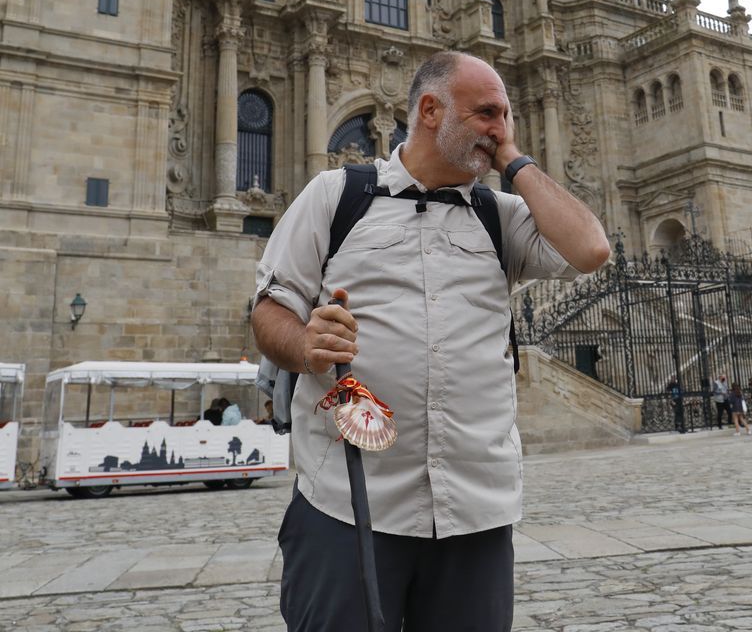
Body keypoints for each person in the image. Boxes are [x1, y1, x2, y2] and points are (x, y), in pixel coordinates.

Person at [251, 51, 610, 631]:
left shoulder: (503, 217)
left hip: (475, 509)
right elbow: (270, 311)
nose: (500, 128)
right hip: (348, 502)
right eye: (487, 113)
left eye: (507, 116)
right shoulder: (336, 197)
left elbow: (591, 249)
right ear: (428, 111)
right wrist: (306, 344)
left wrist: (512, 158)